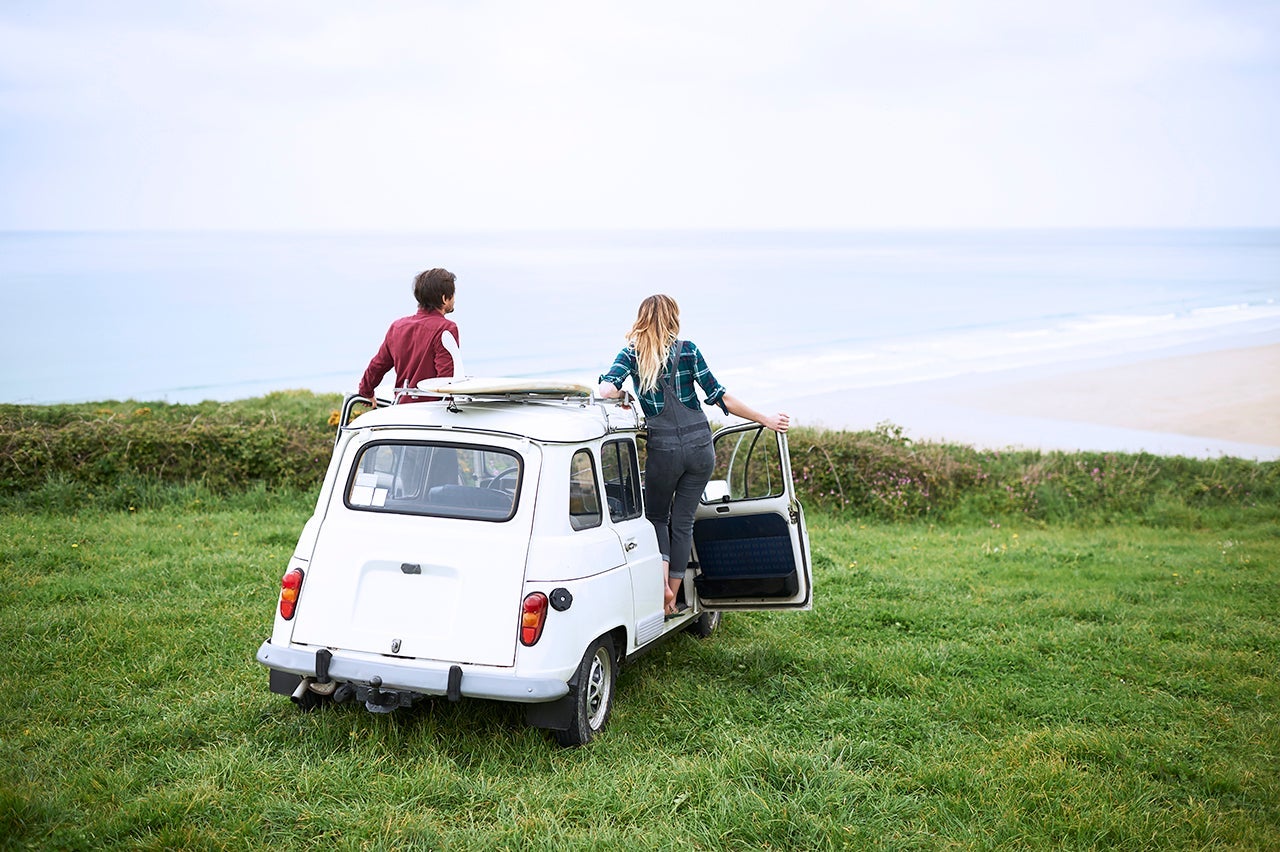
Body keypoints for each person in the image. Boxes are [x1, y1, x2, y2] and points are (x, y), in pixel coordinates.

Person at [597, 294, 789, 616]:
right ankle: (672, 596)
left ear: (641, 319)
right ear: (673, 318)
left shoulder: (632, 353)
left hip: (665, 451)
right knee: (683, 521)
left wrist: (624, 392)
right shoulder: (688, 350)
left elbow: (606, 391)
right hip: (701, 448)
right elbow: (720, 396)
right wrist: (764, 419)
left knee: (658, 518)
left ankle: (661, 588)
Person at [358, 268, 459, 404]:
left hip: (401, 408)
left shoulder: (397, 327)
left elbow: (377, 365)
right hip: (431, 410)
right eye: (453, 294)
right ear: (444, 298)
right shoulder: (445, 328)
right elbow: (446, 380)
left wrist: (366, 391)